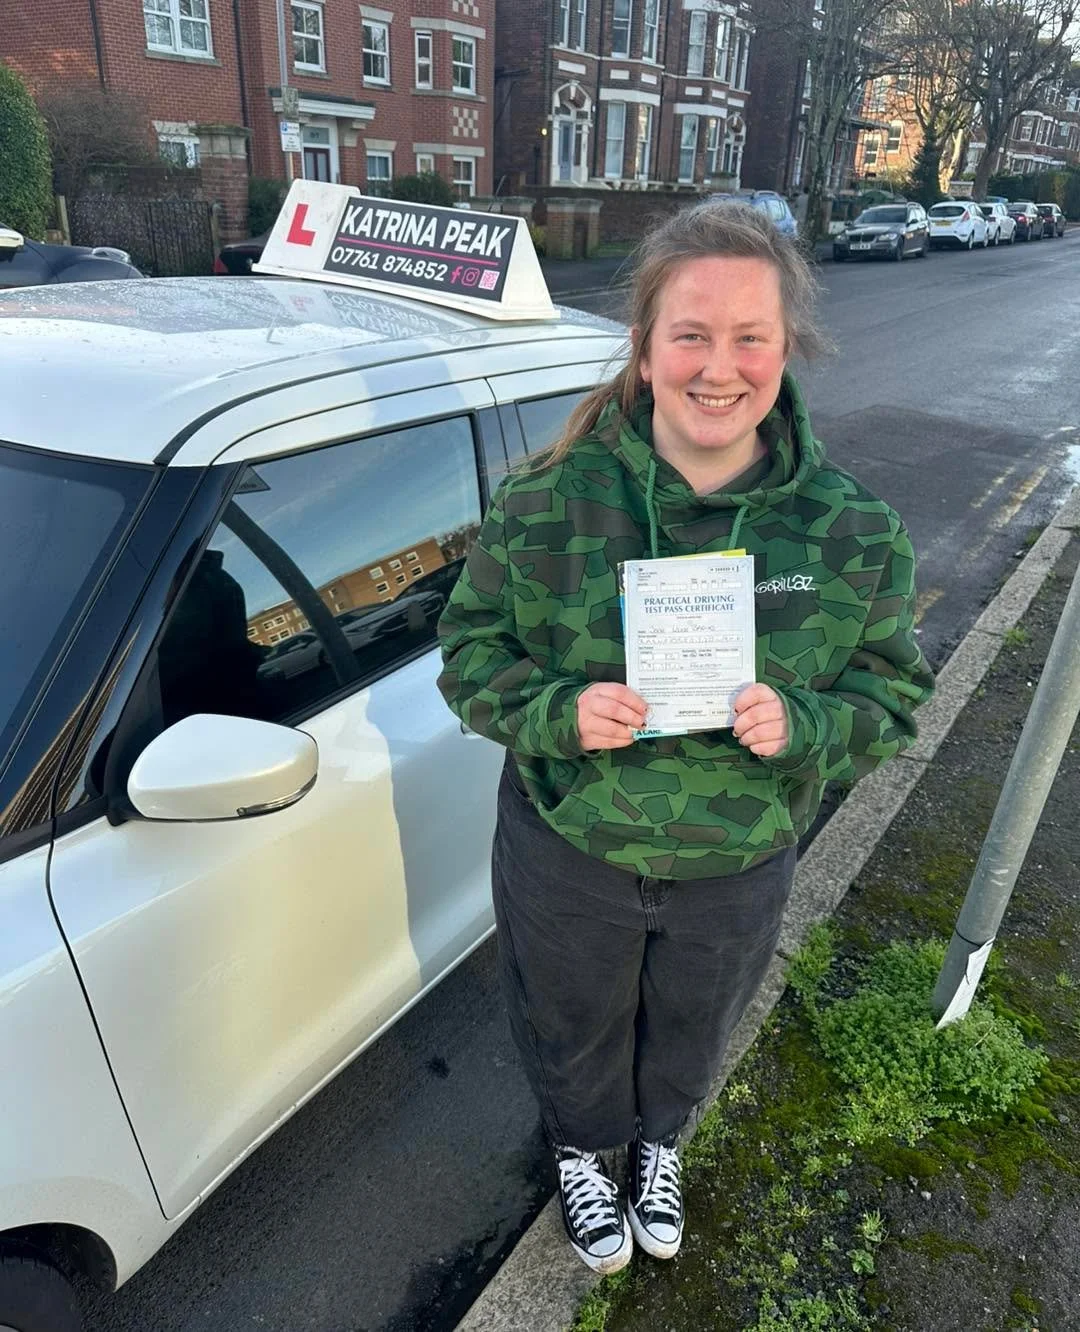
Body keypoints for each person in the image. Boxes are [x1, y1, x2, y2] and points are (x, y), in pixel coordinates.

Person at [436, 204, 934, 1273]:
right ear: (647, 349)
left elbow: (892, 698)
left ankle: (657, 1144)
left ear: (787, 345)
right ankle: (582, 1151)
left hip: (737, 860)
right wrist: (557, 712)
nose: (722, 366)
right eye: (691, 334)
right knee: (569, 1029)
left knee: (691, 1034)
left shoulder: (852, 533)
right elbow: (468, 660)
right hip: (571, 853)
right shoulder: (545, 505)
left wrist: (804, 725)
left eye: (751, 334)